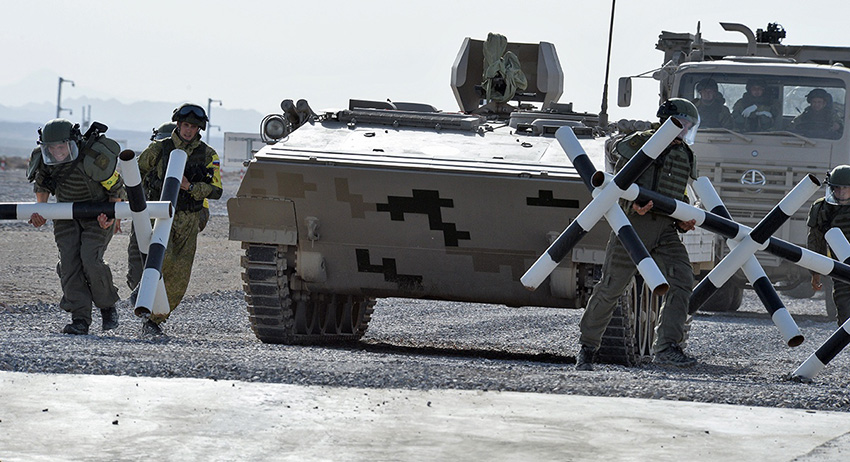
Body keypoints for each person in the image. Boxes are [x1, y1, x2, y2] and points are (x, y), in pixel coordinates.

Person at [576, 98, 700, 371]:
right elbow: (617, 182)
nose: (685, 130)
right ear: (667, 121)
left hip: (665, 229)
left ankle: (667, 347)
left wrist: (683, 219)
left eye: (689, 125)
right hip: (632, 226)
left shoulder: (685, 155)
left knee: (682, 280)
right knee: (612, 287)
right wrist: (630, 206)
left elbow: (679, 193)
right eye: (682, 123)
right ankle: (587, 348)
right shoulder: (641, 144)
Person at [26, 119, 125, 335]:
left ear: (72, 142)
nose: (57, 152)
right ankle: (80, 318)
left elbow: (116, 187)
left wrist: (111, 216)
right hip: (66, 216)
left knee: (90, 259)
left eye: (61, 147)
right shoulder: (45, 161)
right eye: (52, 148)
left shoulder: (92, 157)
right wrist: (40, 213)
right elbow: (42, 188)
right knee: (69, 264)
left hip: (98, 215)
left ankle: (107, 306)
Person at [135, 104, 222, 335]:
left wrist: (190, 187)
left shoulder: (208, 154)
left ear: (199, 128)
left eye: (193, 126)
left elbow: (216, 190)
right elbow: (136, 172)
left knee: (180, 275)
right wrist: (134, 204)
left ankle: (155, 321)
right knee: (160, 261)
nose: (188, 130)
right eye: (185, 125)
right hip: (160, 214)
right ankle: (143, 296)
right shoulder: (160, 149)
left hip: (189, 219)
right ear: (178, 124)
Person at [807, 165, 850, 327]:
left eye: (845, 188)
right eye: (837, 188)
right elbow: (815, 241)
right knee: (844, 311)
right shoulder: (822, 209)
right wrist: (815, 273)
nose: (841, 192)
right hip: (841, 270)